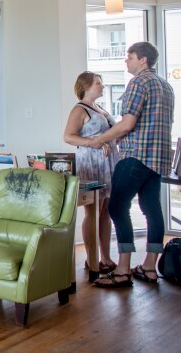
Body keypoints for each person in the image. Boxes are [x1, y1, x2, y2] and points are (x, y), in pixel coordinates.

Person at [89, 42, 174, 288]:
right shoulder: (166, 86)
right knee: (152, 210)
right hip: (157, 159)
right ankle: (149, 267)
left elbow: (127, 124)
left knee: (116, 208)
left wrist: (100, 139)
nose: (126, 61)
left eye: (130, 57)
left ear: (143, 60)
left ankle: (123, 270)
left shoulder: (138, 83)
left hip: (136, 155)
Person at [63, 71, 119, 274]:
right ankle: (91, 258)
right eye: (98, 83)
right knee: (93, 211)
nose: (102, 87)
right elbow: (68, 137)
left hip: (108, 163)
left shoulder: (101, 108)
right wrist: (92, 143)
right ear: (86, 86)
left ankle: (105, 257)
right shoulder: (79, 110)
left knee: (106, 212)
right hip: (91, 163)